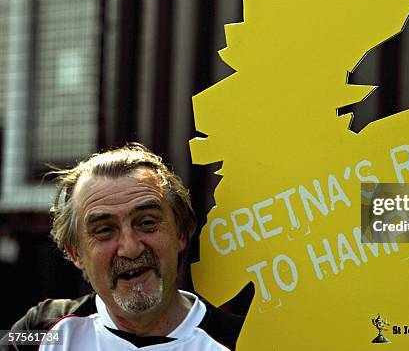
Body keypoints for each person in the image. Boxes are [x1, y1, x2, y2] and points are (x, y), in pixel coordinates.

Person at [2, 144, 251, 351]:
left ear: (181, 233)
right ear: (76, 253)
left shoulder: (243, 341)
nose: (130, 248)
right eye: (104, 230)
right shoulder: (41, 331)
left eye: (147, 223)